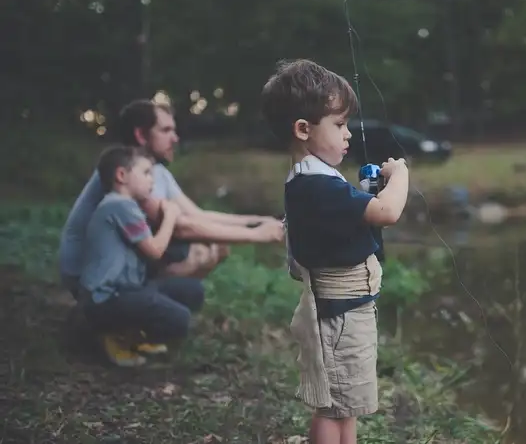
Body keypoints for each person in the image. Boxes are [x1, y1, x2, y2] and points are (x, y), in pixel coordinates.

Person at [261, 59, 410, 444]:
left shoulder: (313, 181)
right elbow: (388, 212)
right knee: (334, 407)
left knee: (347, 404)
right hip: (341, 317)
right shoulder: (317, 186)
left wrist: (365, 194)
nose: (348, 134)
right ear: (303, 130)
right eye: (339, 124)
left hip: (346, 312)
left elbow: (354, 218)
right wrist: (401, 176)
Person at [59, 99, 285, 300]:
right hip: (85, 273)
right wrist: (257, 235)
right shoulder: (128, 173)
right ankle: (128, 316)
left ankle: (151, 309)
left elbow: (197, 215)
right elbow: (182, 228)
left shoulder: (155, 171)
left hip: (118, 262)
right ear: (140, 135)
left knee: (217, 246)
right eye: (165, 130)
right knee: (199, 251)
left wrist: (259, 219)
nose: (175, 138)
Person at [79, 145, 205, 367]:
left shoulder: (127, 206)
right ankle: (117, 336)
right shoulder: (119, 206)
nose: (152, 181)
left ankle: (131, 332)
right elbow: (155, 251)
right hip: (106, 299)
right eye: (146, 173)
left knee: (193, 290)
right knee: (180, 320)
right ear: (121, 176)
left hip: (128, 290)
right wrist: (171, 216)